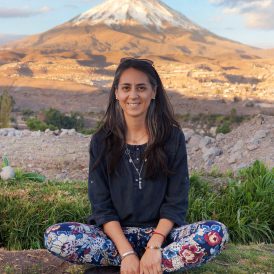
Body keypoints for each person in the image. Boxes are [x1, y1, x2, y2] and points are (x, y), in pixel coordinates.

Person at [44, 58, 229, 273]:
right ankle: (143, 265)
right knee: (55, 235)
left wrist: (154, 244)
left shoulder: (172, 138)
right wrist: (127, 252)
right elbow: (102, 207)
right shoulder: (101, 140)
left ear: (154, 92)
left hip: (163, 237)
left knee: (216, 233)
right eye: (126, 88)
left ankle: (147, 262)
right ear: (116, 93)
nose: (133, 95)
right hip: (115, 240)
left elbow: (176, 201)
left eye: (141, 88)